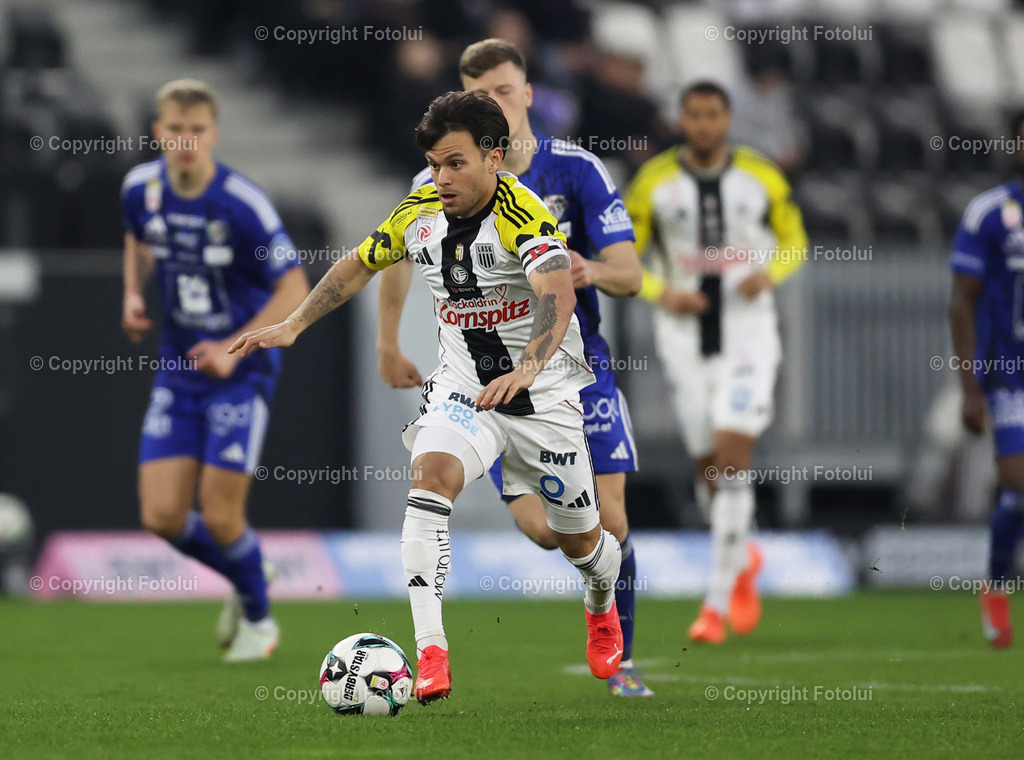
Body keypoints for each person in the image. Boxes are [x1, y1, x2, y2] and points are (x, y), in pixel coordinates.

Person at [229, 91, 624, 703]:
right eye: (435, 164)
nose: (441, 178)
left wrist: (527, 366)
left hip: (540, 393)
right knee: (430, 477)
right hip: (465, 387)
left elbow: (557, 295)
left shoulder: (526, 215)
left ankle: (601, 606)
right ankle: (431, 651)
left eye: (456, 164)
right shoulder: (418, 213)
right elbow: (357, 265)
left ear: (494, 159)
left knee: (579, 541)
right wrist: (294, 325)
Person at [377, 39, 651, 697]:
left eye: (503, 91)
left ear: (527, 94)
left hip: (573, 371)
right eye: (480, 95)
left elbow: (632, 275)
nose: (493, 103)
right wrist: (388, 342)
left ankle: (623, 658)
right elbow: (388, 254)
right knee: (545, 533)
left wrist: (591, 270)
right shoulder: (437, 183)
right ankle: (438, 649)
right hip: (487, 378)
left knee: (606, 523)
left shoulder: (576, 170)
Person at [120, 80, 309, 662]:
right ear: (159, 132)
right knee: (161, 516)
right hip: (178, 371)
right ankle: (249, 569)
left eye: (197, 130)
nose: (186, 140)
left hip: (242, 371)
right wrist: (132, 293)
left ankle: (258, 618)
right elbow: (138, 241)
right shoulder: (139, 189)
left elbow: (295, 287)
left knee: (223, 513)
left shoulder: (240, 204)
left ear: (214, 134)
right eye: (175, 129)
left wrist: (233, 346)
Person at [625, 81, 807, 644]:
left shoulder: (762, 175)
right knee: (710, 471)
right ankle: (744, 556)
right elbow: (624, 254)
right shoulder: (654, 180)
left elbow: (793, 240)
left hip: (749, 334)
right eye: (693, 114)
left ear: (726, 120)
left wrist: (768, 275)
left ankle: (715, 602)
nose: (703, 124)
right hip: (683, 337)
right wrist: (663, 292)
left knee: (731, 459)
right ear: (681, 118)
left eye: (713, 114)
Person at [949, 111, 1024, 649]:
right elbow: (961, 301)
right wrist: (969, 388)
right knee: (1019, 484)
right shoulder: (990, 212)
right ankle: (997, 584)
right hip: (1009, 371)